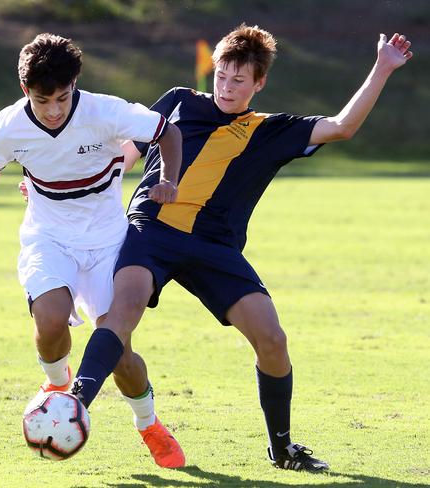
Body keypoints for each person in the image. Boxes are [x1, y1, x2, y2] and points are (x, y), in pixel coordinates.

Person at [69, 25, 413, 472]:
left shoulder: (270, 131)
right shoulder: (179, 101)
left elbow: (343, 127)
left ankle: (282, 448)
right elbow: (127, 153)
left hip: (215, 247)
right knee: (125, 309)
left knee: (271, 338)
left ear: (259, 83)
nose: (227, 88)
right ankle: (76, 403)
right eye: (222, 77)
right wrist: (66, 186)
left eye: (238, 81)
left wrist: (383, 68)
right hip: (150, 229)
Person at [0, 33, 186, 468]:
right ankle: (56, 384)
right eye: (42, 99)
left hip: (108, 243)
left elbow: (169, 133)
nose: (53, 110)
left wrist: (171, 181)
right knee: (49, 320)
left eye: (62, 98)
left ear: (75, 85)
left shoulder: (106, 111)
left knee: (120, 356)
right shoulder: (11, 125)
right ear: (25, 90)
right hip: (48, 239)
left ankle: (149, 425)